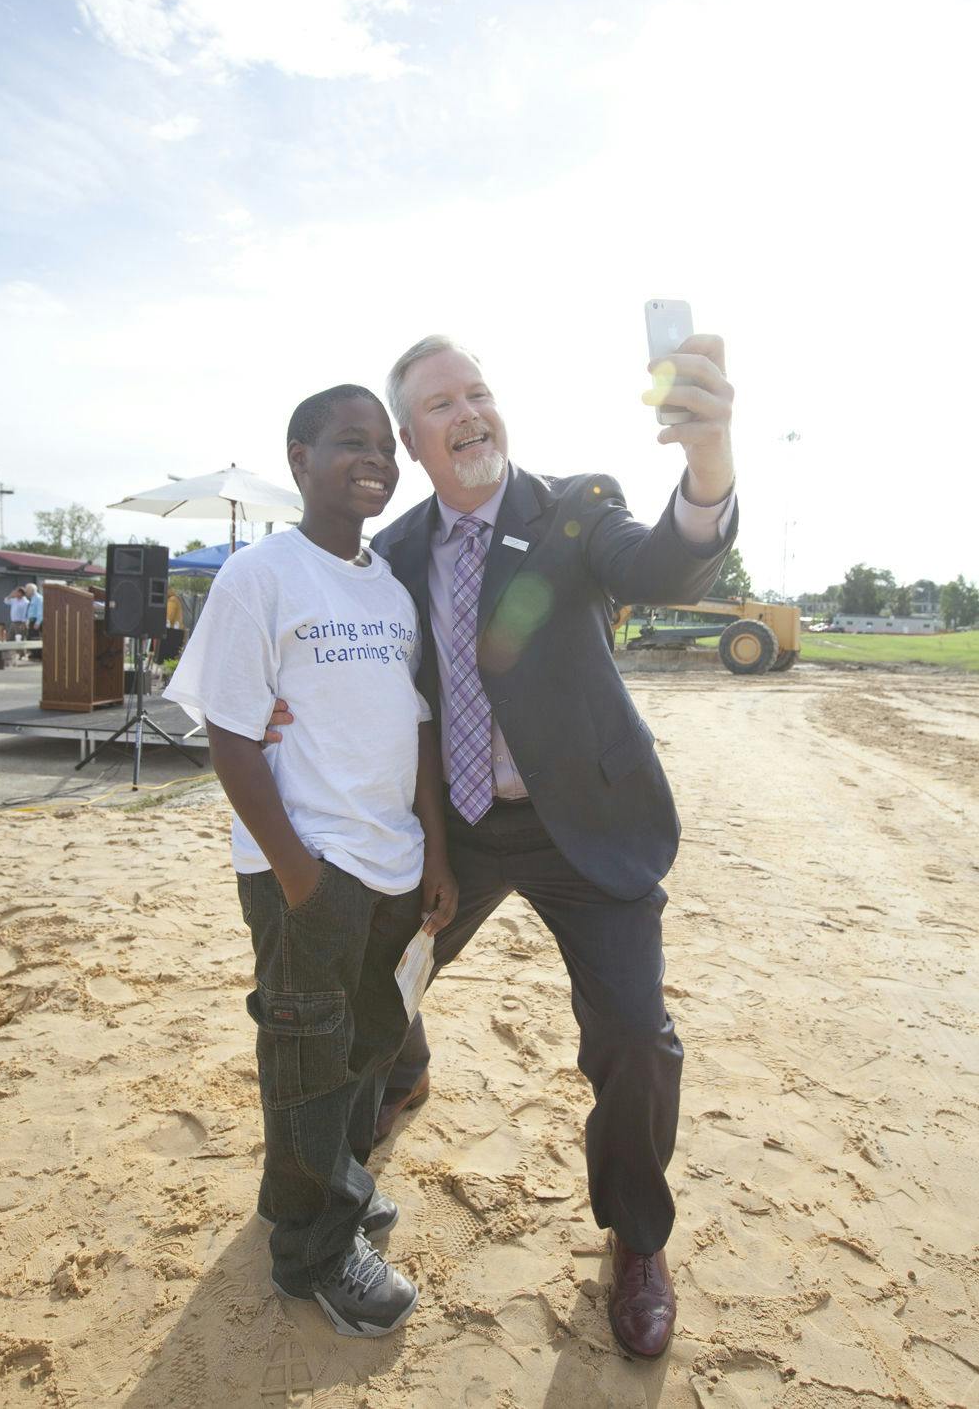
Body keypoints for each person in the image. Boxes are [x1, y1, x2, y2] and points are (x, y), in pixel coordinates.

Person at [267, 332, 738, 1358]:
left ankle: (639, 1241)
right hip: (460, 832)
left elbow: (664, 564)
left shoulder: (572, 508)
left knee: (633, 1039)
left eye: (478, 391)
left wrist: (705, 463)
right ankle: (404, 1074)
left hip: (591, 832)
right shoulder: (386, 556)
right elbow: (342, 671)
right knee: (378, 985)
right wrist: (273, 708)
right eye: (442, 404)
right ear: (409, 438)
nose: (469, 412)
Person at [165, 384, 457, 1338]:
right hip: (307, 875)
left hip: (392, 866)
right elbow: (232, 733)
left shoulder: (388, 587)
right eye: (349, 443)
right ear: (300, 458)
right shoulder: (263, 575)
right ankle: (313, 1254)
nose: (374, 458)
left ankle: (322, 1188)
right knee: (304, 1058)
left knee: (366, 1049)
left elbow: (415, 733)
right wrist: (297, 873)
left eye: (385, 445)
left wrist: (436, 857)